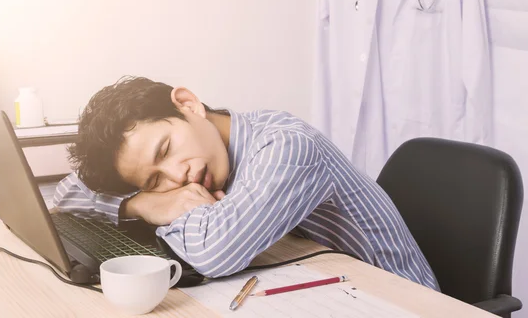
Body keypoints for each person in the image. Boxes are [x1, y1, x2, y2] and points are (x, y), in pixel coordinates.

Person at [53, 76, 439, 290]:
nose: (177, 176)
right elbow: (67, 192)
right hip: (329, 289)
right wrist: (142, 204)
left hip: (406, 305)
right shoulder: (202, 161)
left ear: (188, 104)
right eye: (154, 179)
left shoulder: (286, 147)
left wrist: (170, 208)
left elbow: (214, 252)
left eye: (166, 149)